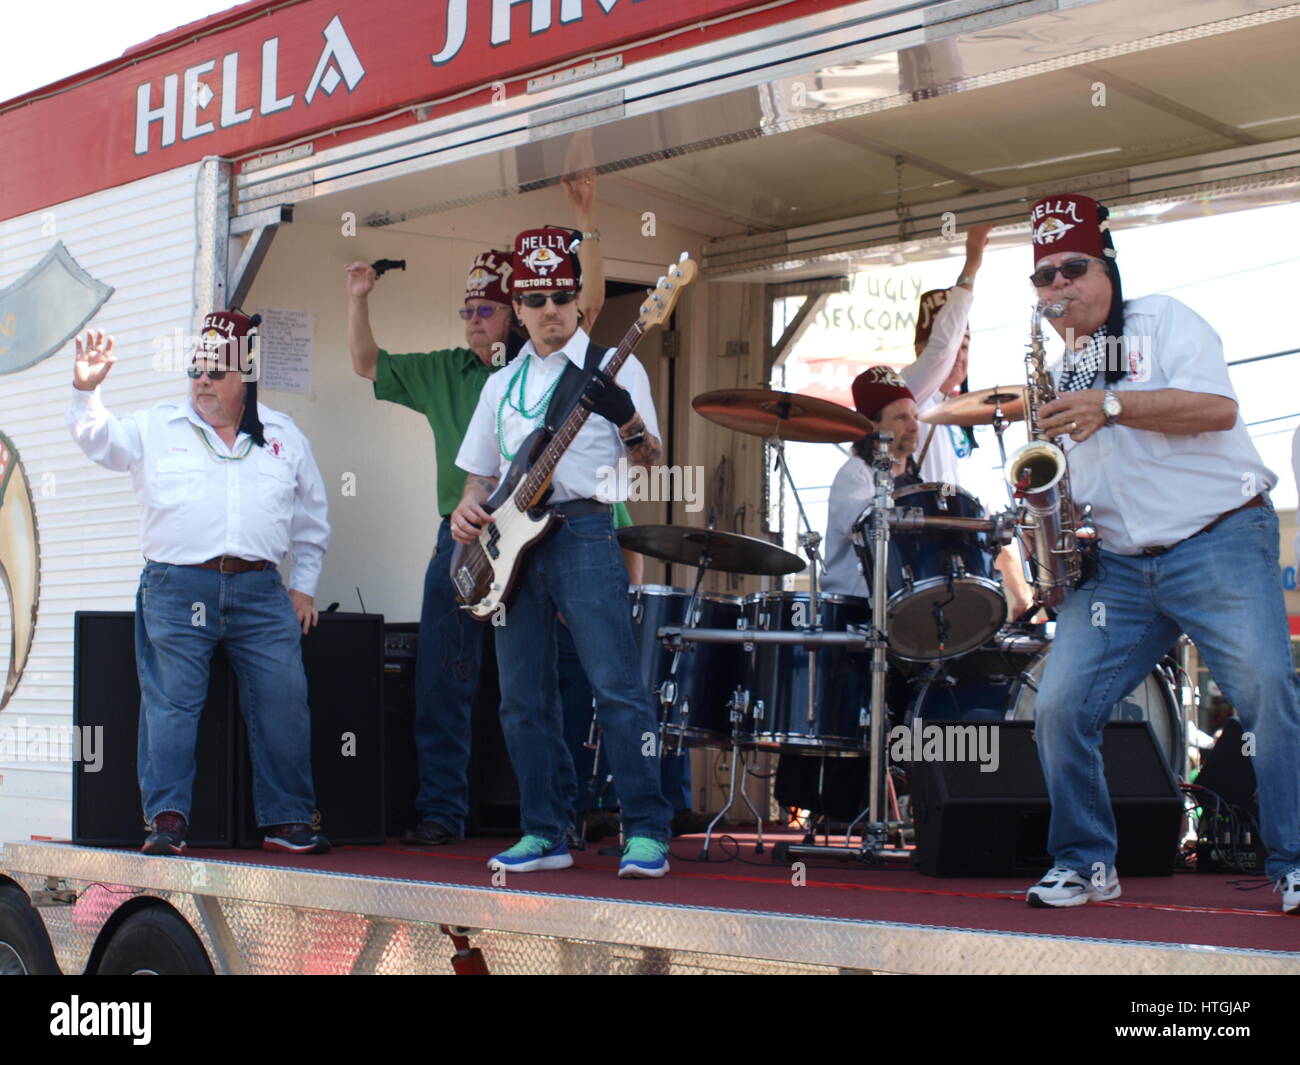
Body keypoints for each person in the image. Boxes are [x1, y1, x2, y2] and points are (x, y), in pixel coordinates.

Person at [1018, 193, 1300, 912]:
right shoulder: (1062, 370)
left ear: (1106, 265)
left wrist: (1114, 406)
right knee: (1058, 705)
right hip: (1119, 565)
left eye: (1071, 269)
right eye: (1043, 277)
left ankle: (1293, 860)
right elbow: (1076, 485)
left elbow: (1219, 410)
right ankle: (1085, 860)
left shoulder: (1161, 321)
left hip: (1219, 538)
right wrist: (1049, 524)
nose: (1058, 288)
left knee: (1268, 689)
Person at [346, 174, 605, 846]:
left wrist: (588, 222)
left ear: (514, 313)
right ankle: (441, 811)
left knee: (555, 679)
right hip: (463, 540)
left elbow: (594, 311)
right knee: (444, 678)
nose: (472, 321)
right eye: (466, 310)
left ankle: (559, 815)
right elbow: (366, 361)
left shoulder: (546, 366)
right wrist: (358, 299)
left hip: (547, 537)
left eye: (484, 310)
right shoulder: (444, 369)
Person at [452, 225, 674, 878]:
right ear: (517, 308)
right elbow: (478, 477)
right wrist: (470, 509)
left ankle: (647, 828)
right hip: (510, 546)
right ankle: (545, 829)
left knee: (616, 685)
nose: (550, 308)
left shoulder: (615, 362)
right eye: (536, 298)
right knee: (521, 694)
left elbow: (652, 462)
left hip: (583, 529)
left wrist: (628, 419)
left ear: (579, 300)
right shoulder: (502, 381)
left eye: (561, 295)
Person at [67, 313, 331, 856]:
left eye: (216, 370)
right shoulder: (158, 426)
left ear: (246, 376)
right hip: (176, 586)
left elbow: (312, 520)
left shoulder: (284, 436)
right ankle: (166, 822)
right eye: (197, 369)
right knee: (171, 703)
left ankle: (287, 820)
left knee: (284, 698)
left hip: (261, 590)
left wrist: (303, 588)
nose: (203, 380)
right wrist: (86, 391)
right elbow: (99, 442)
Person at [902, 226, 1033, 618]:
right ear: (922, 352)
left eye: (966, 347)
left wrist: (1023, 597)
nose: (958, 356)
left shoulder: (960, 414)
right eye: (951, 346)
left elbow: (986, 513)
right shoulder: (911, 392)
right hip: (920, 561)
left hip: (963, 562)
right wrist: (972, 261)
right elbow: (942, 346)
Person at [822, 366, 923, 599]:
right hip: (853, 614)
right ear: (873, 426)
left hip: (902, 608)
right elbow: (869, 525)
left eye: (915, 416)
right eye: (901, 417)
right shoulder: (855, 473)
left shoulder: (920, 483)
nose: (914, 427)